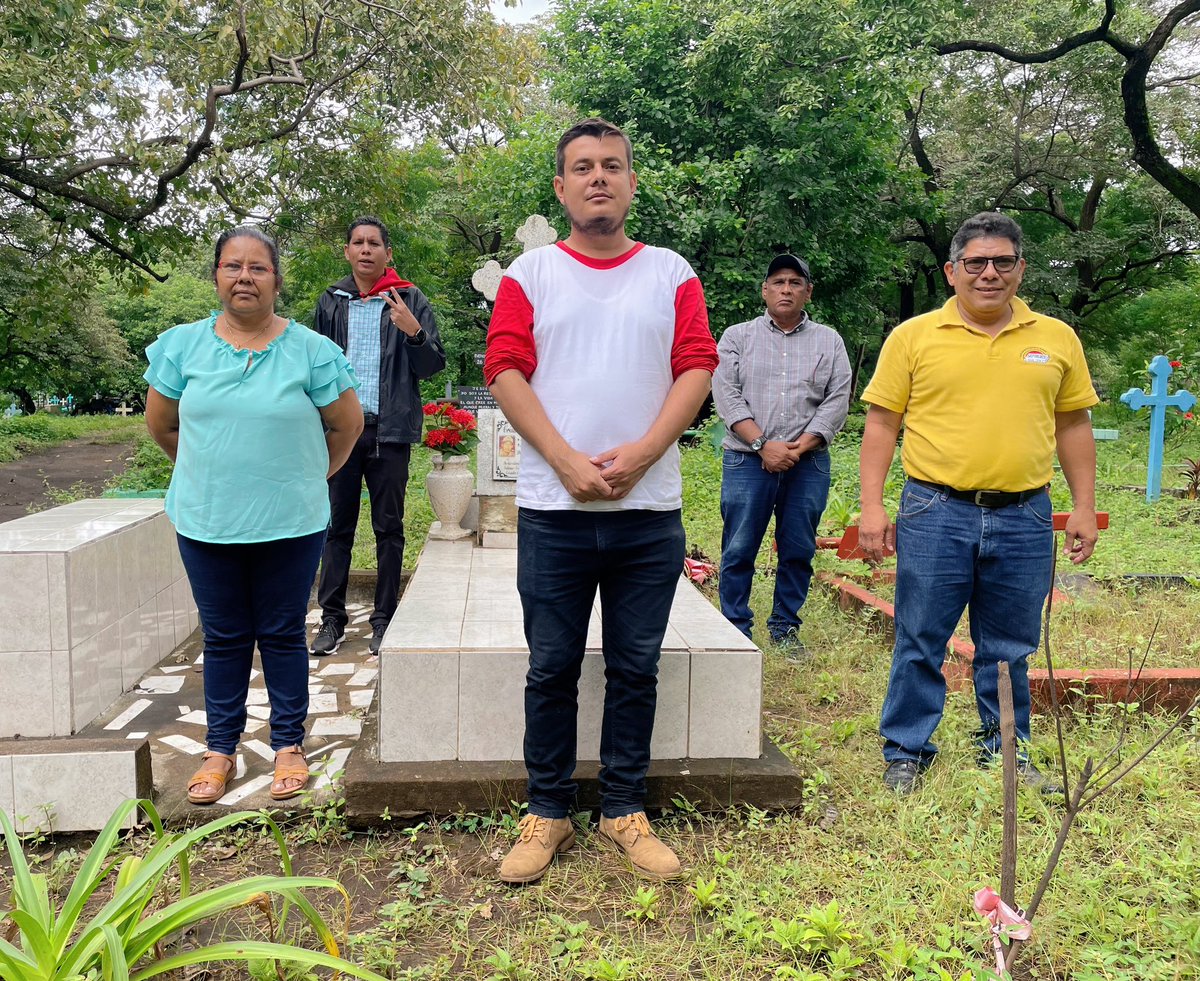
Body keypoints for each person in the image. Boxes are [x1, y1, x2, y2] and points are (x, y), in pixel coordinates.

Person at [484, 118, 718, 884]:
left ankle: (623, 806)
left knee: (636, 665)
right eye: (581, 167)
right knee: (550, 666)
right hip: (555, 510)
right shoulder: (532, 273)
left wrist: (647, 450)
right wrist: (563, 458)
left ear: (631, 182)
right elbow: (505, 367)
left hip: (647, 515)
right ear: (560, 187)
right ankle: (546, 809)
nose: (597, 178)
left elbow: (695, 365)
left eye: (611, 166)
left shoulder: (670, 273)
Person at [858, 212, 1098, 795]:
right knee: (921, 634)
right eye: (975, 263)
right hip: (935, 510)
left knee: (1011, 643)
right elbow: (882, 423)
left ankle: (1008, 749)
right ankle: (907, 750)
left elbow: (1073, 424)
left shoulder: (1056, 337)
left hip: (1026, 513)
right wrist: (871, 507)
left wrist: (1085, 505)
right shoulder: (913, 337)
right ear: (951, 271)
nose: (989, 273)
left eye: (1002, 262)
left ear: (1020, 269)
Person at [144, 226, 363, 804]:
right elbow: (165, 427)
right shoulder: (180, 346)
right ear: (216, 275)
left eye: (258, 267)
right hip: (206, 519)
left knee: (285, 632)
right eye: (233, 266)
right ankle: (220, 748)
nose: (245, 277)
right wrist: (209, 471)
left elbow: (346, 427)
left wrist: (310, 476)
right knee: (224, 637)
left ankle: (288, 743)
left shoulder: (313, 351)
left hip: (292, 520)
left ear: (276, 279)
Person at [309, 217, 446, 656]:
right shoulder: (331, 302)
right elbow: (312, 371)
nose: (365, 249)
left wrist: (413, 331)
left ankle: (384, 618)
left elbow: (432, 365)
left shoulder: (408, 298)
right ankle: (331, 620)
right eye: (357, 243)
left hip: (390, 434)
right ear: (347, 252)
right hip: (342, 434)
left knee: (389, 529)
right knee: (336, 530)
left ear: (388, 253)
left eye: (374, 243)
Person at [713, 254, 852, 655]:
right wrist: (762, 444)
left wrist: (800, 446)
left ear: (808, 291)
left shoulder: (829, 341)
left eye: (795, 282)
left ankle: (785, 629)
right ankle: (735, 628)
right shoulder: (738, 337)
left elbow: (837, 399)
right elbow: (726, 393)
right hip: (746, 461)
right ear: (765, 291)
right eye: (777, 282)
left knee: (798, 549)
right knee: (739, 547)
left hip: (806, 463)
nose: (786, 289)